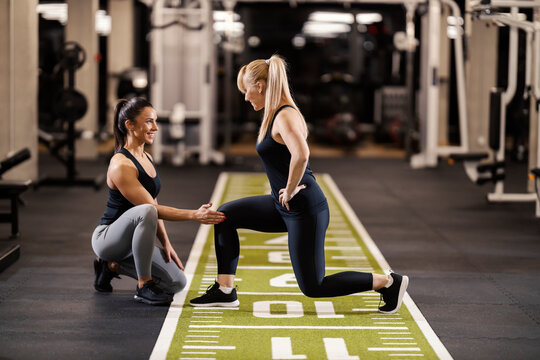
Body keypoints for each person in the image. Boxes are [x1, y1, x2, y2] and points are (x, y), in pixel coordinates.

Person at [190, 55, 409, 314]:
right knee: (224, 216)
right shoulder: (273, 114)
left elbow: (302, 154)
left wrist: (292, 186)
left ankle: (387, 282)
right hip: (282, 204)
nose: (246, 98)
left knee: (314, 286)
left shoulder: (285, 115)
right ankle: (225, 290)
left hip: (304, 208)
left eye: (246, 91)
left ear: (260, 86)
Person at [92, 97, 225, 306]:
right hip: (109, 239)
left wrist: (166, 243)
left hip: (131, 242)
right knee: (146, 211)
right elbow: (150, 210)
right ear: (130, 125)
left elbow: (152, 200)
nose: (155, 127)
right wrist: (194, 215)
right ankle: (143, 286)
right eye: (148, 122)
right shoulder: (121, 164)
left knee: (177, 283)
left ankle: (110, 267)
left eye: (155, 121)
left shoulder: (147, 158)